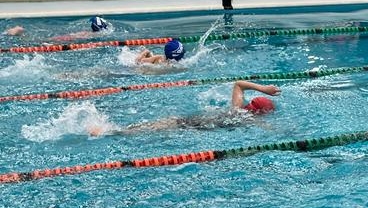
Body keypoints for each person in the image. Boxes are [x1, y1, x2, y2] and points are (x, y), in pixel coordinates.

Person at [90, 80, 280, 136]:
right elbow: (269, 129)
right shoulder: (248, 118)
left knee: (154, 126)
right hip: (194, 127)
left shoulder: (237, 107)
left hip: (192, 120)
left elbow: (239, 84)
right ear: (261, 113)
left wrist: (264, 89)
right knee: (152, 129)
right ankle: (111, 132)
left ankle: (112, 130)